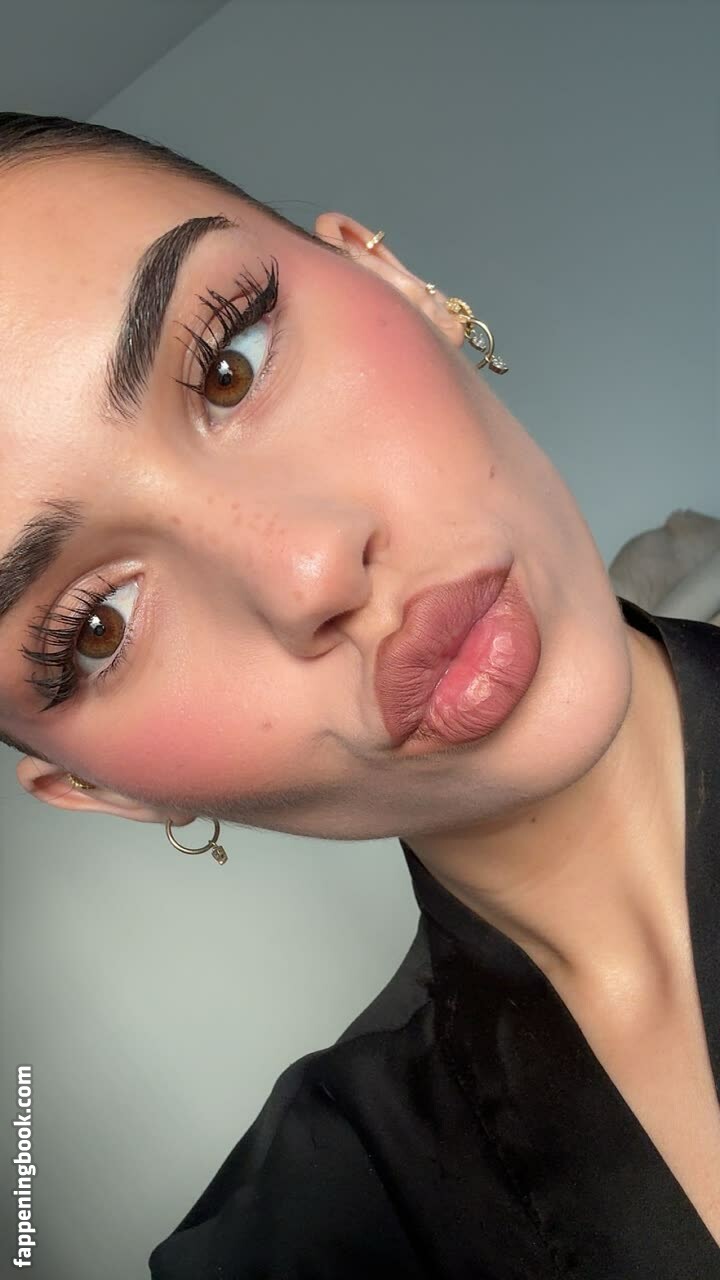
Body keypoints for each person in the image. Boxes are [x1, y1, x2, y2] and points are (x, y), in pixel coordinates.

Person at [1, 113, 719, 1279]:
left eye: (228, 363)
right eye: (97, 625)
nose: (310, 568)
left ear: (397, 278)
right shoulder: (303, 1241)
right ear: (102, 788)